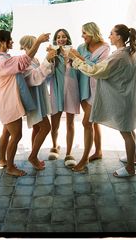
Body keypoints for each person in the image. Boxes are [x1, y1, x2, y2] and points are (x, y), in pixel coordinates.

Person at [68, 24, 136, 177]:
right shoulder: (128, 52)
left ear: (119, 37)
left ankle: (129, 169)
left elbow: (96, 71)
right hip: (128, 97)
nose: (109, 36)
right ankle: (132, 158)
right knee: (129, 130)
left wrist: (76, 59)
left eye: (112, 33)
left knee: (126, 132)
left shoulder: (118, 55)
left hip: (122, 99)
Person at [0, 30, 50, 176]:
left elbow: (23, 62)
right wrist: (39, 42)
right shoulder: (2, 61)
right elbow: (24, 61)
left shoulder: (3, 58)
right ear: (2, 41)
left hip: (6, 100)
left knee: (6, 132)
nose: (12, 42)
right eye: (10, 40)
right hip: (8, 102)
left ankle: (3, 160)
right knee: (16, 135)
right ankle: (10, 167)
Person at [73, 22, 110, 171]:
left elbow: (97, 69)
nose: (82, 36)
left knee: (86, 123)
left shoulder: (105, 48)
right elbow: (76, 64)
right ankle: (98, 152)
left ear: (92, 33)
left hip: (95, 88)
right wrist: (71, 58)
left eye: (84, 33)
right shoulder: (82, 46)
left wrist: (79, 58)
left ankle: (84, 160)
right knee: (94, 122)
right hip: (82, 87)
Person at [19, 35, 56, 170]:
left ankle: (34, 155)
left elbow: (45, 74)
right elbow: (35, 78)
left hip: (39, 97)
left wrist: (49, 59)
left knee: (37, 128)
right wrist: (47, 59)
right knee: (46, 128)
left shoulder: (35, 59)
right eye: (35, 43)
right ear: (31, 44)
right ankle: (33, 156)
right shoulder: (24, 63)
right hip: (33, 100)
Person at [48, 28, 80, 167]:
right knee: (54, 123)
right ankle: (55, 146)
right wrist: (49, 56)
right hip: (56, 89)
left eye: (64, 36)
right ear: (56, 39)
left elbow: (79, 68)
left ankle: (69, 152)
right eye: (59, 37)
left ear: (67, 39)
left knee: (70, 123)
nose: (61, 39)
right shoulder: (52, 53)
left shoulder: (73, 51)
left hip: (71, 89)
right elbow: (47, 70)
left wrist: (70, 58)